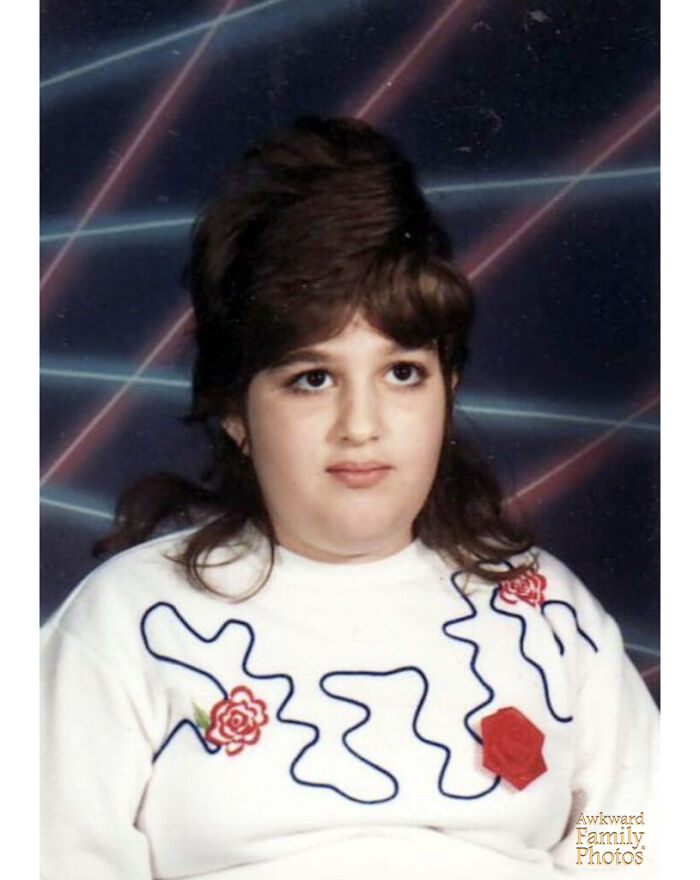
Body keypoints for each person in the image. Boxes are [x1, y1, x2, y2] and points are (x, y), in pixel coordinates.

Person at [41, 117, 658, 879]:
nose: (361, 427)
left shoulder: (550, 616)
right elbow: (59, 854)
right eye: (312, 379)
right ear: (236, 409)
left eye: (402, 373)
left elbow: (634, 826)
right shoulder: (125, 623)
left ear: (448, 388)